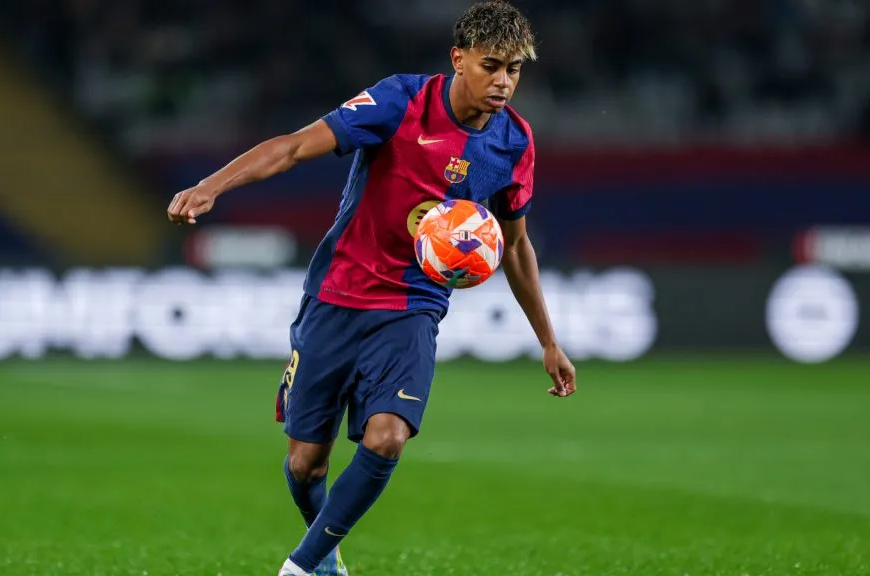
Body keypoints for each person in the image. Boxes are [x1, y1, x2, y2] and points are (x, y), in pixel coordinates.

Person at [166, 2, 577, 574]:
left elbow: (513, 246)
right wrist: (213, 186)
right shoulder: (400, 101)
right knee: (306, 464)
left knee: (387, 437)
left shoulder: (514, 142)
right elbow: (292, 146)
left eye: (514, 69)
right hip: (337, 293)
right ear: (459, 60)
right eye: (492, 66)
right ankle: (327, 561)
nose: (504, 82)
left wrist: (548, 341)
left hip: (412, 307)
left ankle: (301, 567)